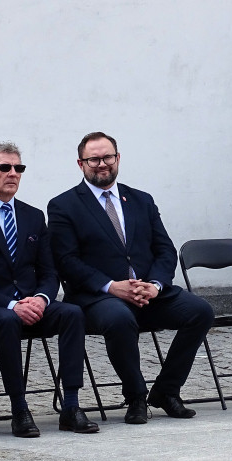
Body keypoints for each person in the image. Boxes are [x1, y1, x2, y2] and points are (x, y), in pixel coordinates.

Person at [47, 132, 214, 424]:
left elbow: (165, 249)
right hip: (97, 297)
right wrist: (112, 286)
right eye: (93, 159)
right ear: (80, 163)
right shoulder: (64, 205)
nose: (102, 164)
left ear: (118, 158)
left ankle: (166, 391)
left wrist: (155, 285)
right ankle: (136, 396)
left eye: (107, 157)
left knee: (200, 311)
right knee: (119, 318)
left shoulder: (141, 200)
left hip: (148, 292)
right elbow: (66, 261)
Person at [0, 142, 99, 437]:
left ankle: (71, 406)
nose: (13, 173)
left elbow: (49, 270)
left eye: (18, 168)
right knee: (7, 320)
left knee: (72, 313)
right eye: (4, 167)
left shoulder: (33, 216)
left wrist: (41, 298)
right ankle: (19, 409)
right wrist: (11, 305)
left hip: (31, 302)